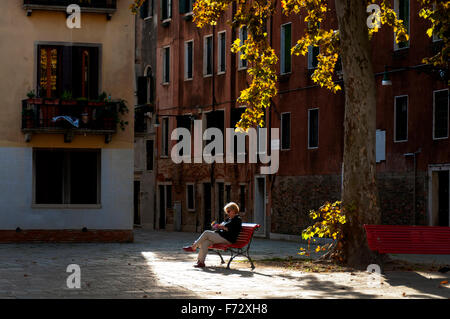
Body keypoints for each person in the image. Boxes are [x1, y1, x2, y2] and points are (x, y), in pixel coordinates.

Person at [183, 202, 242, 268]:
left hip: (228, 239)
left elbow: (232, 230)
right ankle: (201, 262)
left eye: (228, 211)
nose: (227, 213)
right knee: (205, 242)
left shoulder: (237, 219)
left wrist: (222, 227)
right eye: (227, 211)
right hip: (221, 237)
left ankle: (193, 247)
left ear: (234, 210)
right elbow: (223, 228)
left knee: (206, 232)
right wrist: (217, 226)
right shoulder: (229, 219)